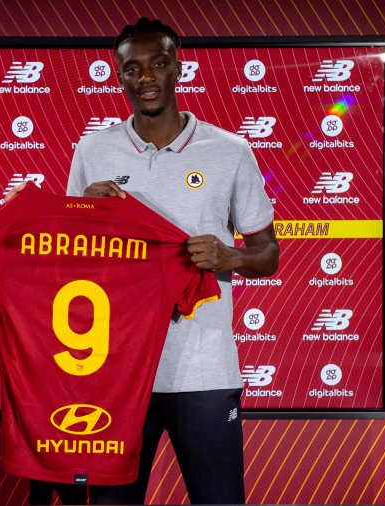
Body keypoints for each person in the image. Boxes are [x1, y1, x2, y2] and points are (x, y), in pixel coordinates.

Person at [66, 18, 280, 504]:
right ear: (117, 75)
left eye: (158, 64)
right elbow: (71, 261)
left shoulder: (229, 151)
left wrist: (230, 256)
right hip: (115, 369)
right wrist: (86, 214)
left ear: (177, 68)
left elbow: (269, 254)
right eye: (132, 68)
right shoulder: (93, 150)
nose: (145, 78)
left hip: (204, 371)